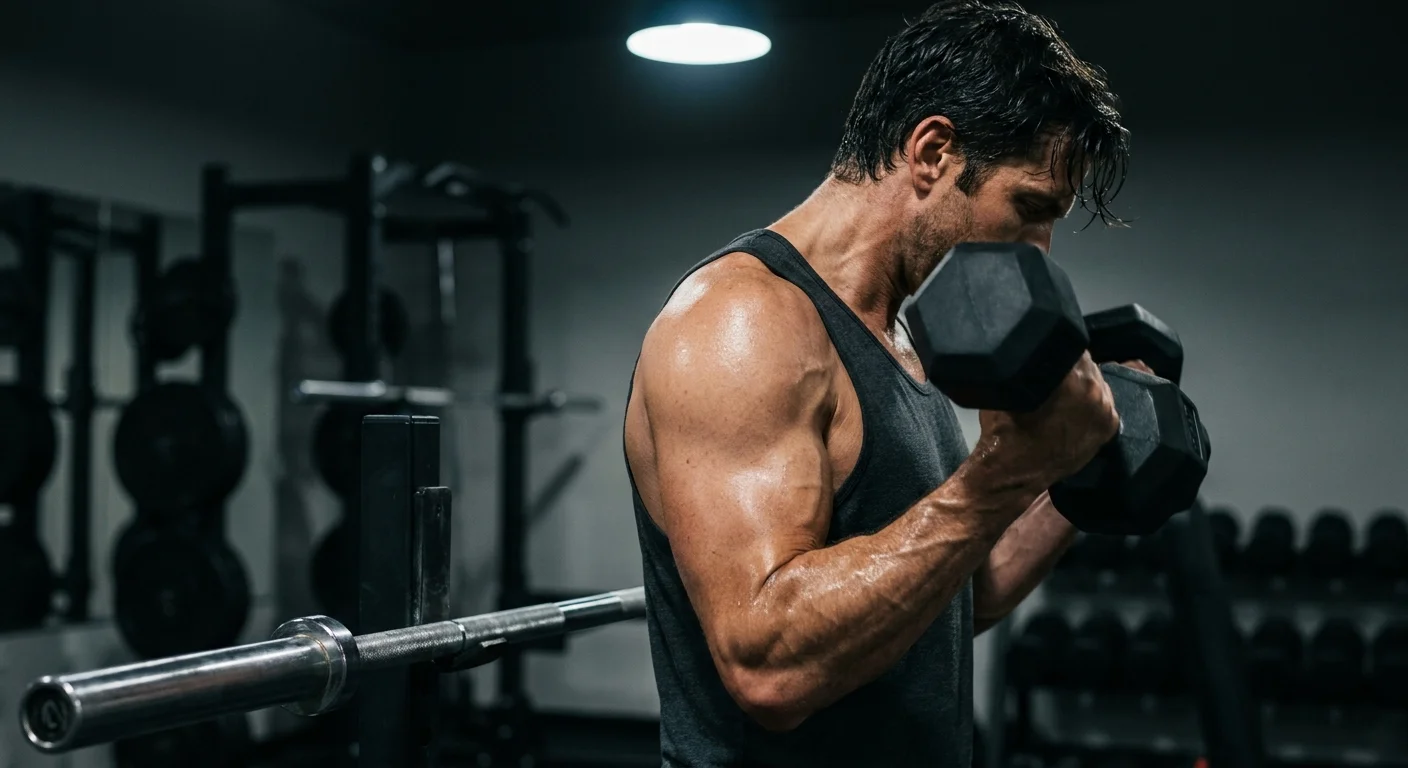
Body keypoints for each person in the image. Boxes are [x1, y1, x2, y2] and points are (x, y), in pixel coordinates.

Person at [624, 1, 1133, 765]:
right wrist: (1004, 475)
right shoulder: (743, 322)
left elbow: (962, 594)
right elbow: (768, 664)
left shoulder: (903, 337)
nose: (1040, 251)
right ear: (933, 152)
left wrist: (1076, 464)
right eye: (1029, 208)